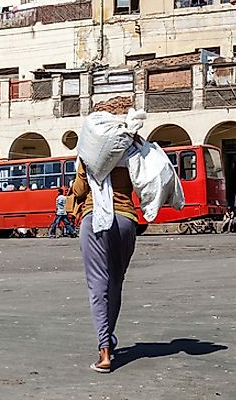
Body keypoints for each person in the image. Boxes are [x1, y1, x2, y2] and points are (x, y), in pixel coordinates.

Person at [70, 158, 136, 373]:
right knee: (115, 283)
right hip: (126, 220)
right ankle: (108, 337)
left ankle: (104, 351)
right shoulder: (132, 147)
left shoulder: (90, 150)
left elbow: (79, 190)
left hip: (96, 217)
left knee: (98, 284)